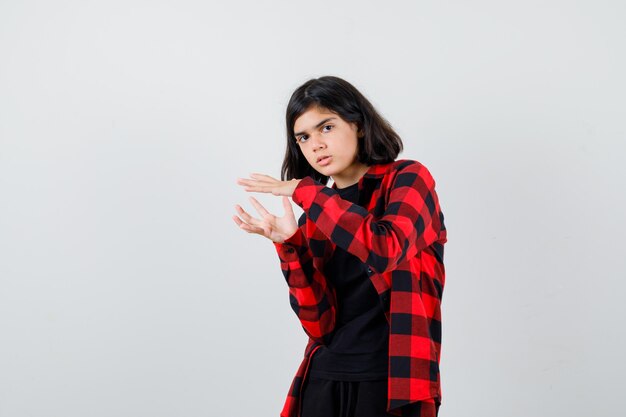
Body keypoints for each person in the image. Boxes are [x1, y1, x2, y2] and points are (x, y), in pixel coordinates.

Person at [233, 76, 447, 417]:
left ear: (358, 125)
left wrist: (307, 192)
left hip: (393, 383)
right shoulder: (314, 216)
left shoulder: (407, 180)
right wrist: (291, 247)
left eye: (326, 127)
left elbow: (385, 248)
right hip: (324, 379)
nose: (315, 144)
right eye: (303, 137)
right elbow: (319, 323)